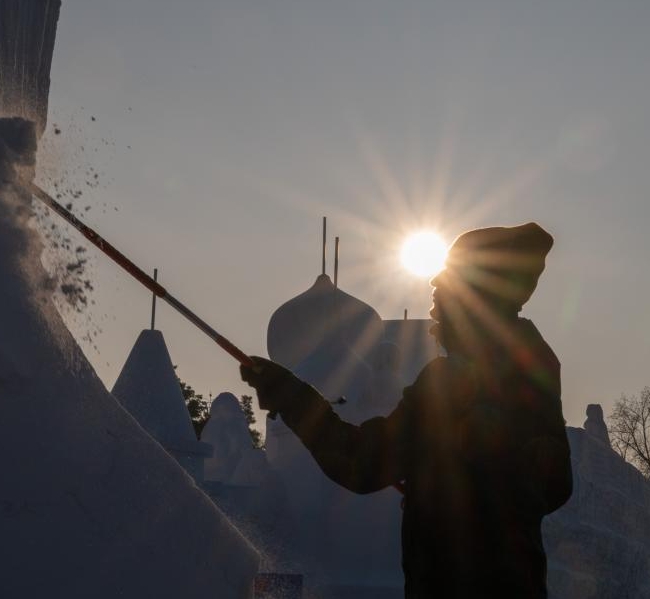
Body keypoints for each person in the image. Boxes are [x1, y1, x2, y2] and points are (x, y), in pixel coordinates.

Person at [241, 222, 573, 598]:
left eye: (444, 288)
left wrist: (288, 394)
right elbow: (556, 486)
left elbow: (360, 463)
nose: (433, 306)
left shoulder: (452, 383)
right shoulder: (535, 367)